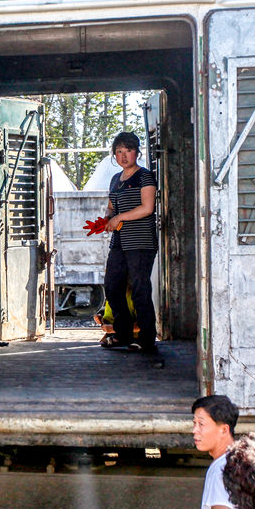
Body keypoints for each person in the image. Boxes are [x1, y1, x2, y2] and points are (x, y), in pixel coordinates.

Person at [101, 131, 158, 352]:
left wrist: (119, 218)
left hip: (141, 242)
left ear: (137, 152)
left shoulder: (144, 176)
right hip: (119, 242)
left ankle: (146, 338)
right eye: (119, 151)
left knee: (139, 288)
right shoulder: (116, 179)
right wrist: (106, 218)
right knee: (113, 287)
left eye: (128, 150)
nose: (123, 156)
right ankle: (122, 334)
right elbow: (111, 206)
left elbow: (147, 208)